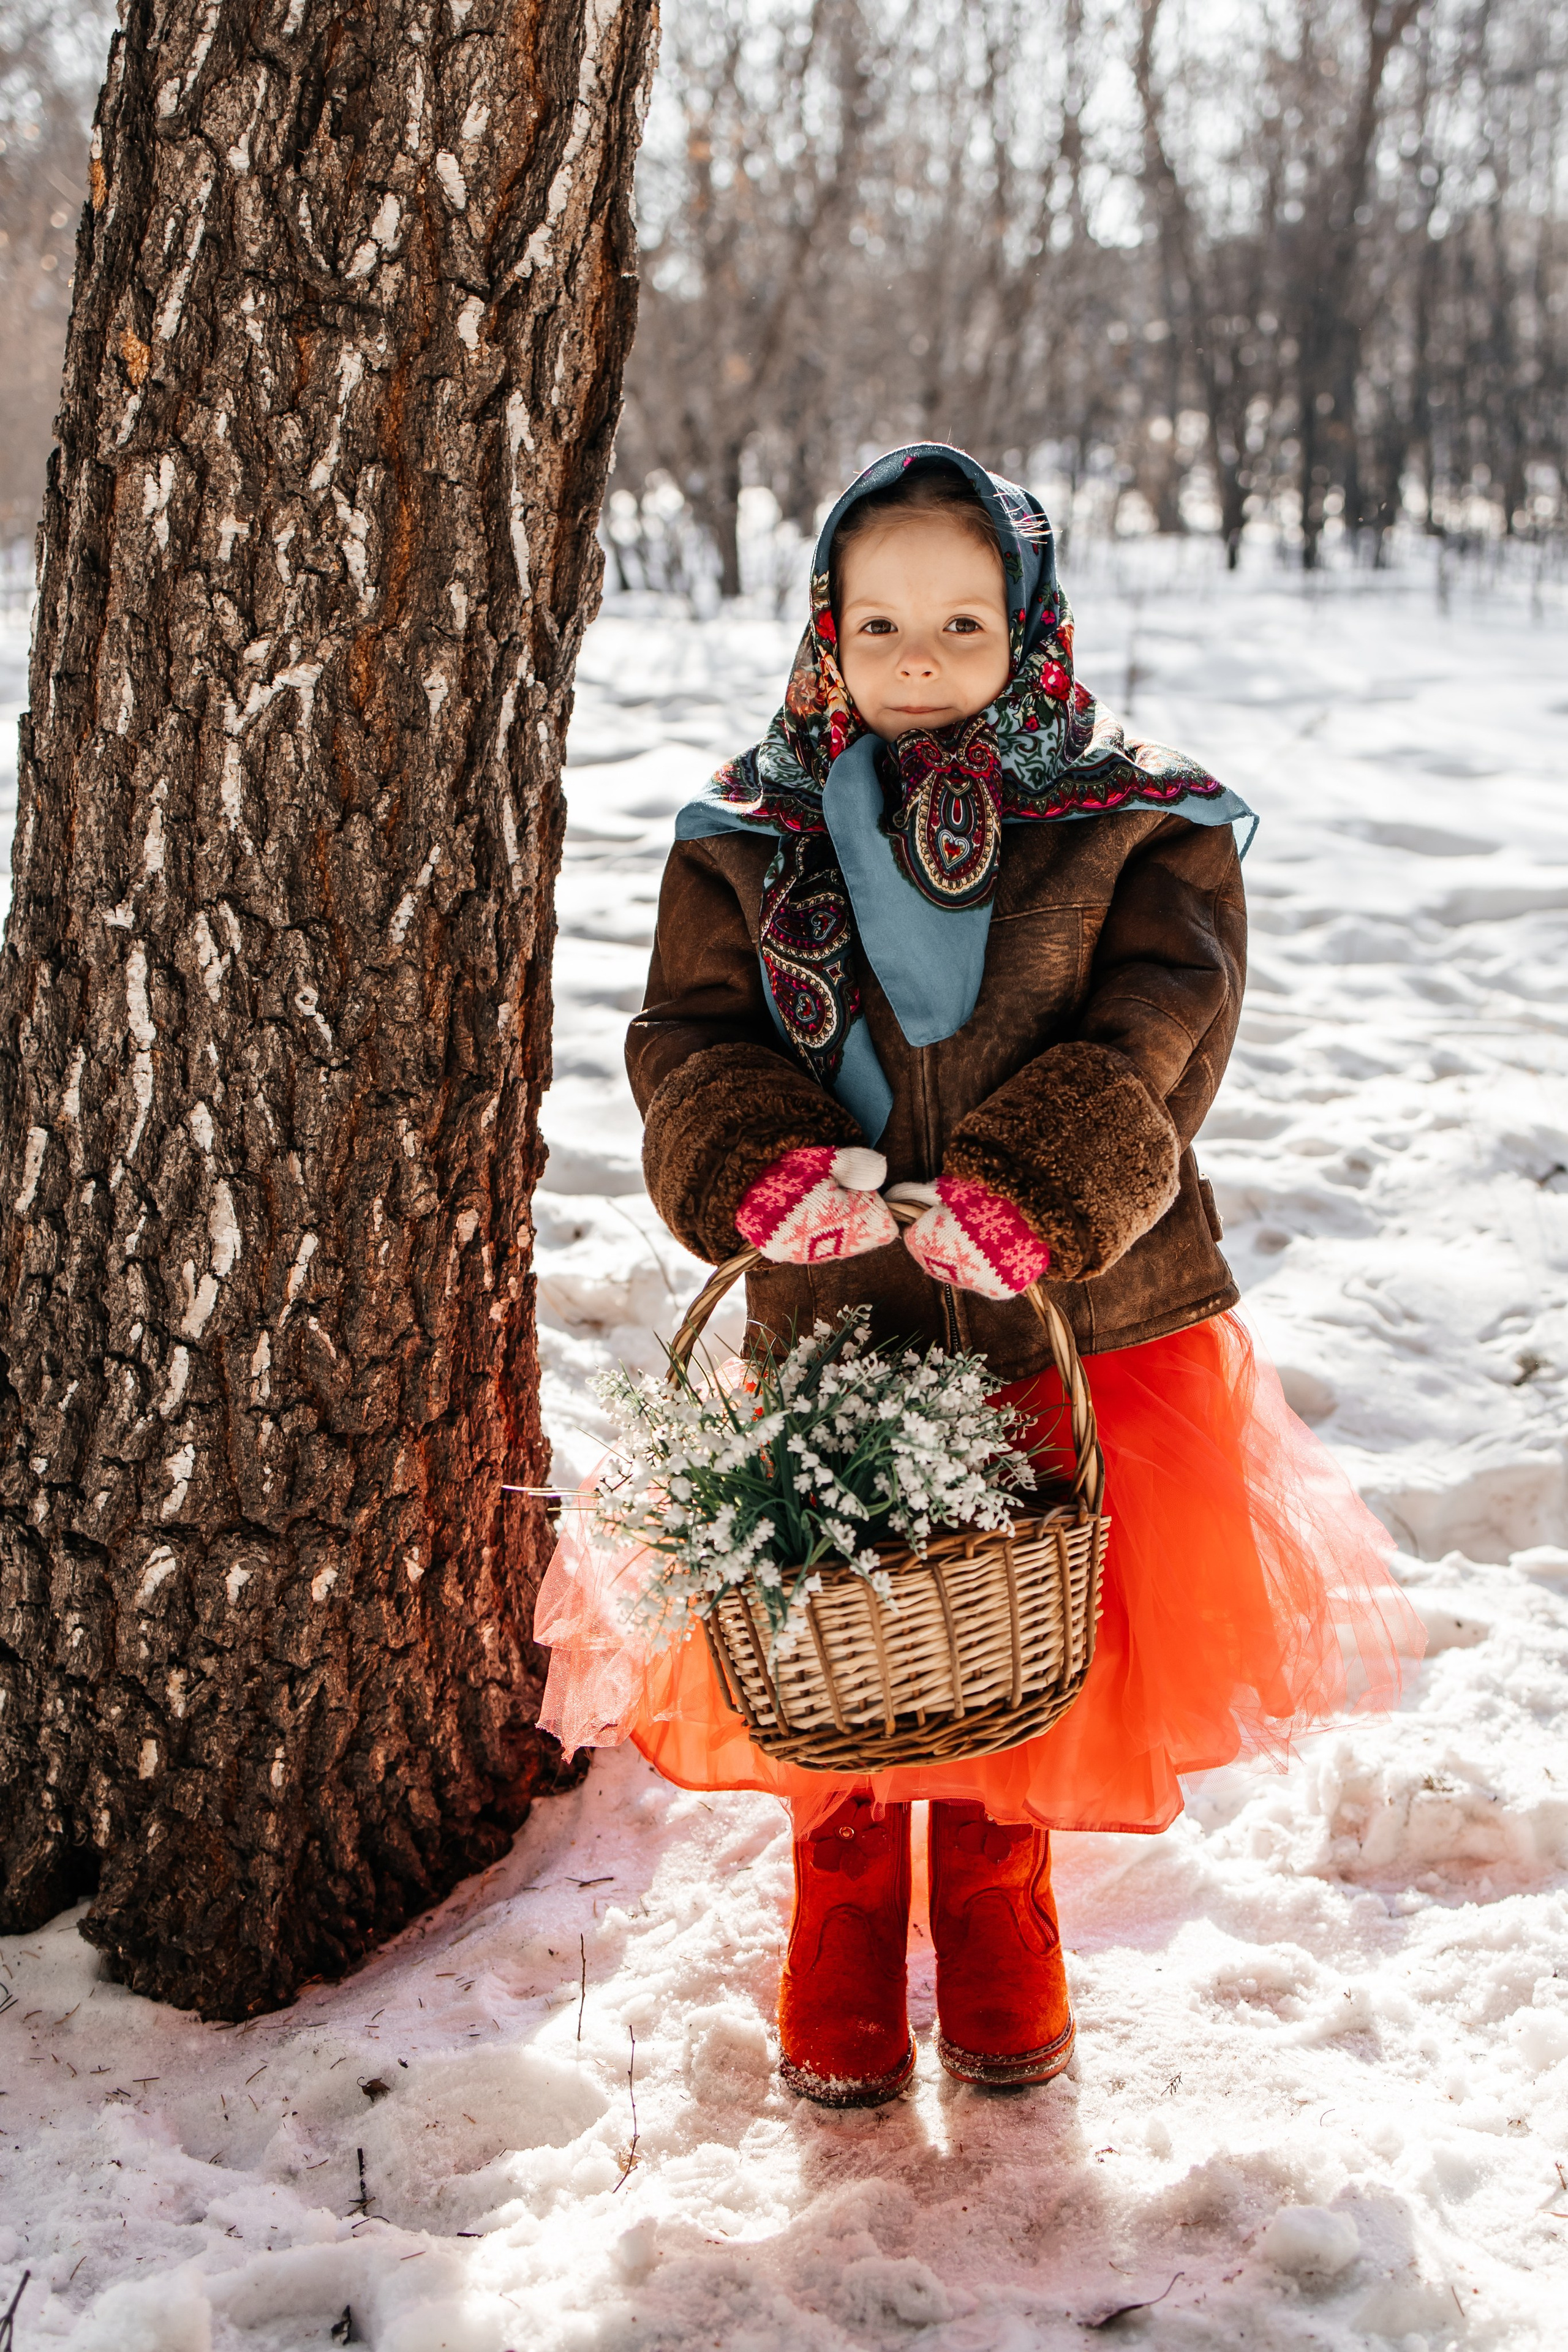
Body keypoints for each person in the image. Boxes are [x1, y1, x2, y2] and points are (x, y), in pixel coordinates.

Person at [538, 443, 1422, 2108]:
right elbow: (694, 1033)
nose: (921, 658)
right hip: (841, 1315)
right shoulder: (751, 830)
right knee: (844, 1629)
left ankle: (1001, 1906)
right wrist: (754, 1163)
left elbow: (1163, 1027)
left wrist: (1038, 1185)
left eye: (962, 620)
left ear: (1029, 620)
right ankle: (845, 1914)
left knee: (1019, 1624)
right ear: (827, 626)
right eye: (880, 624)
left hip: (1067, 1308)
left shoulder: (1128, 820)